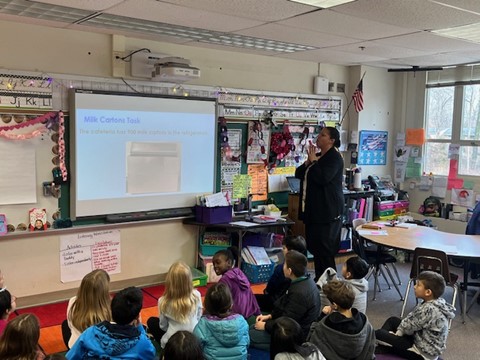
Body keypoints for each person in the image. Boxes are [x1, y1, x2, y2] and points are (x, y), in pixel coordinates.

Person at [294, 126, 345, 281]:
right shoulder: (317, 156)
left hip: (327, 212)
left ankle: (330, 284)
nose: (318, 137)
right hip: (313, 211)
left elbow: (323, 178)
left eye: (323, 135)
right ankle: (319, 280)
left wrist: (314, 164)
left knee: (325, 250)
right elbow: (299, 174)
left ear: (332, 140)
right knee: (316, 248)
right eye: (319, 134)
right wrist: (308, 162)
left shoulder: (334, 158)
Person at [375, 271, 455, 360]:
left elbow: (409, 328)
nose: (414, 287)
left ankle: (384, 347)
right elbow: (411, 321)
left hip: (420, 354)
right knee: (392, 320)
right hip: (421, 340)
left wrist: (396, 335)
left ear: (428, 292)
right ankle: (384, 345)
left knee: (379, 333)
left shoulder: (428, 309)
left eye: (418, 285)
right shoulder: (437, 302)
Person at [250, 250, 321, 351]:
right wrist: (270, 316)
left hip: (295, 338)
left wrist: (266, 326)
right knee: (253, 327)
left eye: (284, 264)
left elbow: (287, 323)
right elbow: (284, 306)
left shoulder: (299, 293)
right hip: (293, 327)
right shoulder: (303, 281)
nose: (282, 266)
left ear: (290, 271)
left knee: (250, 335)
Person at [66, 286, 156, 360]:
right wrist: (140, 327)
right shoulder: (143, 344)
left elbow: (71, 357)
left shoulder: (90, 332)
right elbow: (150, 354)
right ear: (137, 316)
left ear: (111, 310)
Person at [307, 280, 375, 360]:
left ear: (335, 305)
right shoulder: (365, 322)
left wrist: (322, 316)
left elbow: (311, 341)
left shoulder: (326, 325)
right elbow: (370, 349)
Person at [146, 261, 203, 348]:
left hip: (172, 343)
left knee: (152, 321)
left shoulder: (163, 301)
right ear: (189, 280)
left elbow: (163, 326)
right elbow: (199, 317)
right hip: (194, 340)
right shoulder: (197, 295)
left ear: (169, 281)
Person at [193, 282, 249, 360]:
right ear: (231, 303)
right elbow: (247, 344)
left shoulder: (202, 325)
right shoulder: (242, 321)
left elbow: (196, 350)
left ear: (207, 305)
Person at [61, 269, 111, 349]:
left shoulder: (73, 301)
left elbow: (70, 325)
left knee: (65, 324)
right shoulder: (110, 311)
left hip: (76, 348)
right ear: (104, 292)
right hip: (97, 351)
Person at [256, 235, 308, 313]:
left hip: (277, 303)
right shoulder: (305, 269)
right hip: (288, 302)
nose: (282, 250)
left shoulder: (282, 269)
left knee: (252, 299)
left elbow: (269, 289)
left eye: (284, 248)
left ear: (291, 252)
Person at [213, 247, 260, 319]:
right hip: (250, 313)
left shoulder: (225, 279)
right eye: (213, 264)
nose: (215, 266)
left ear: (228, 263)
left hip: (236, 317)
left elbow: (220, 301)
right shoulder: (238, 272)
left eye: (218, 262)